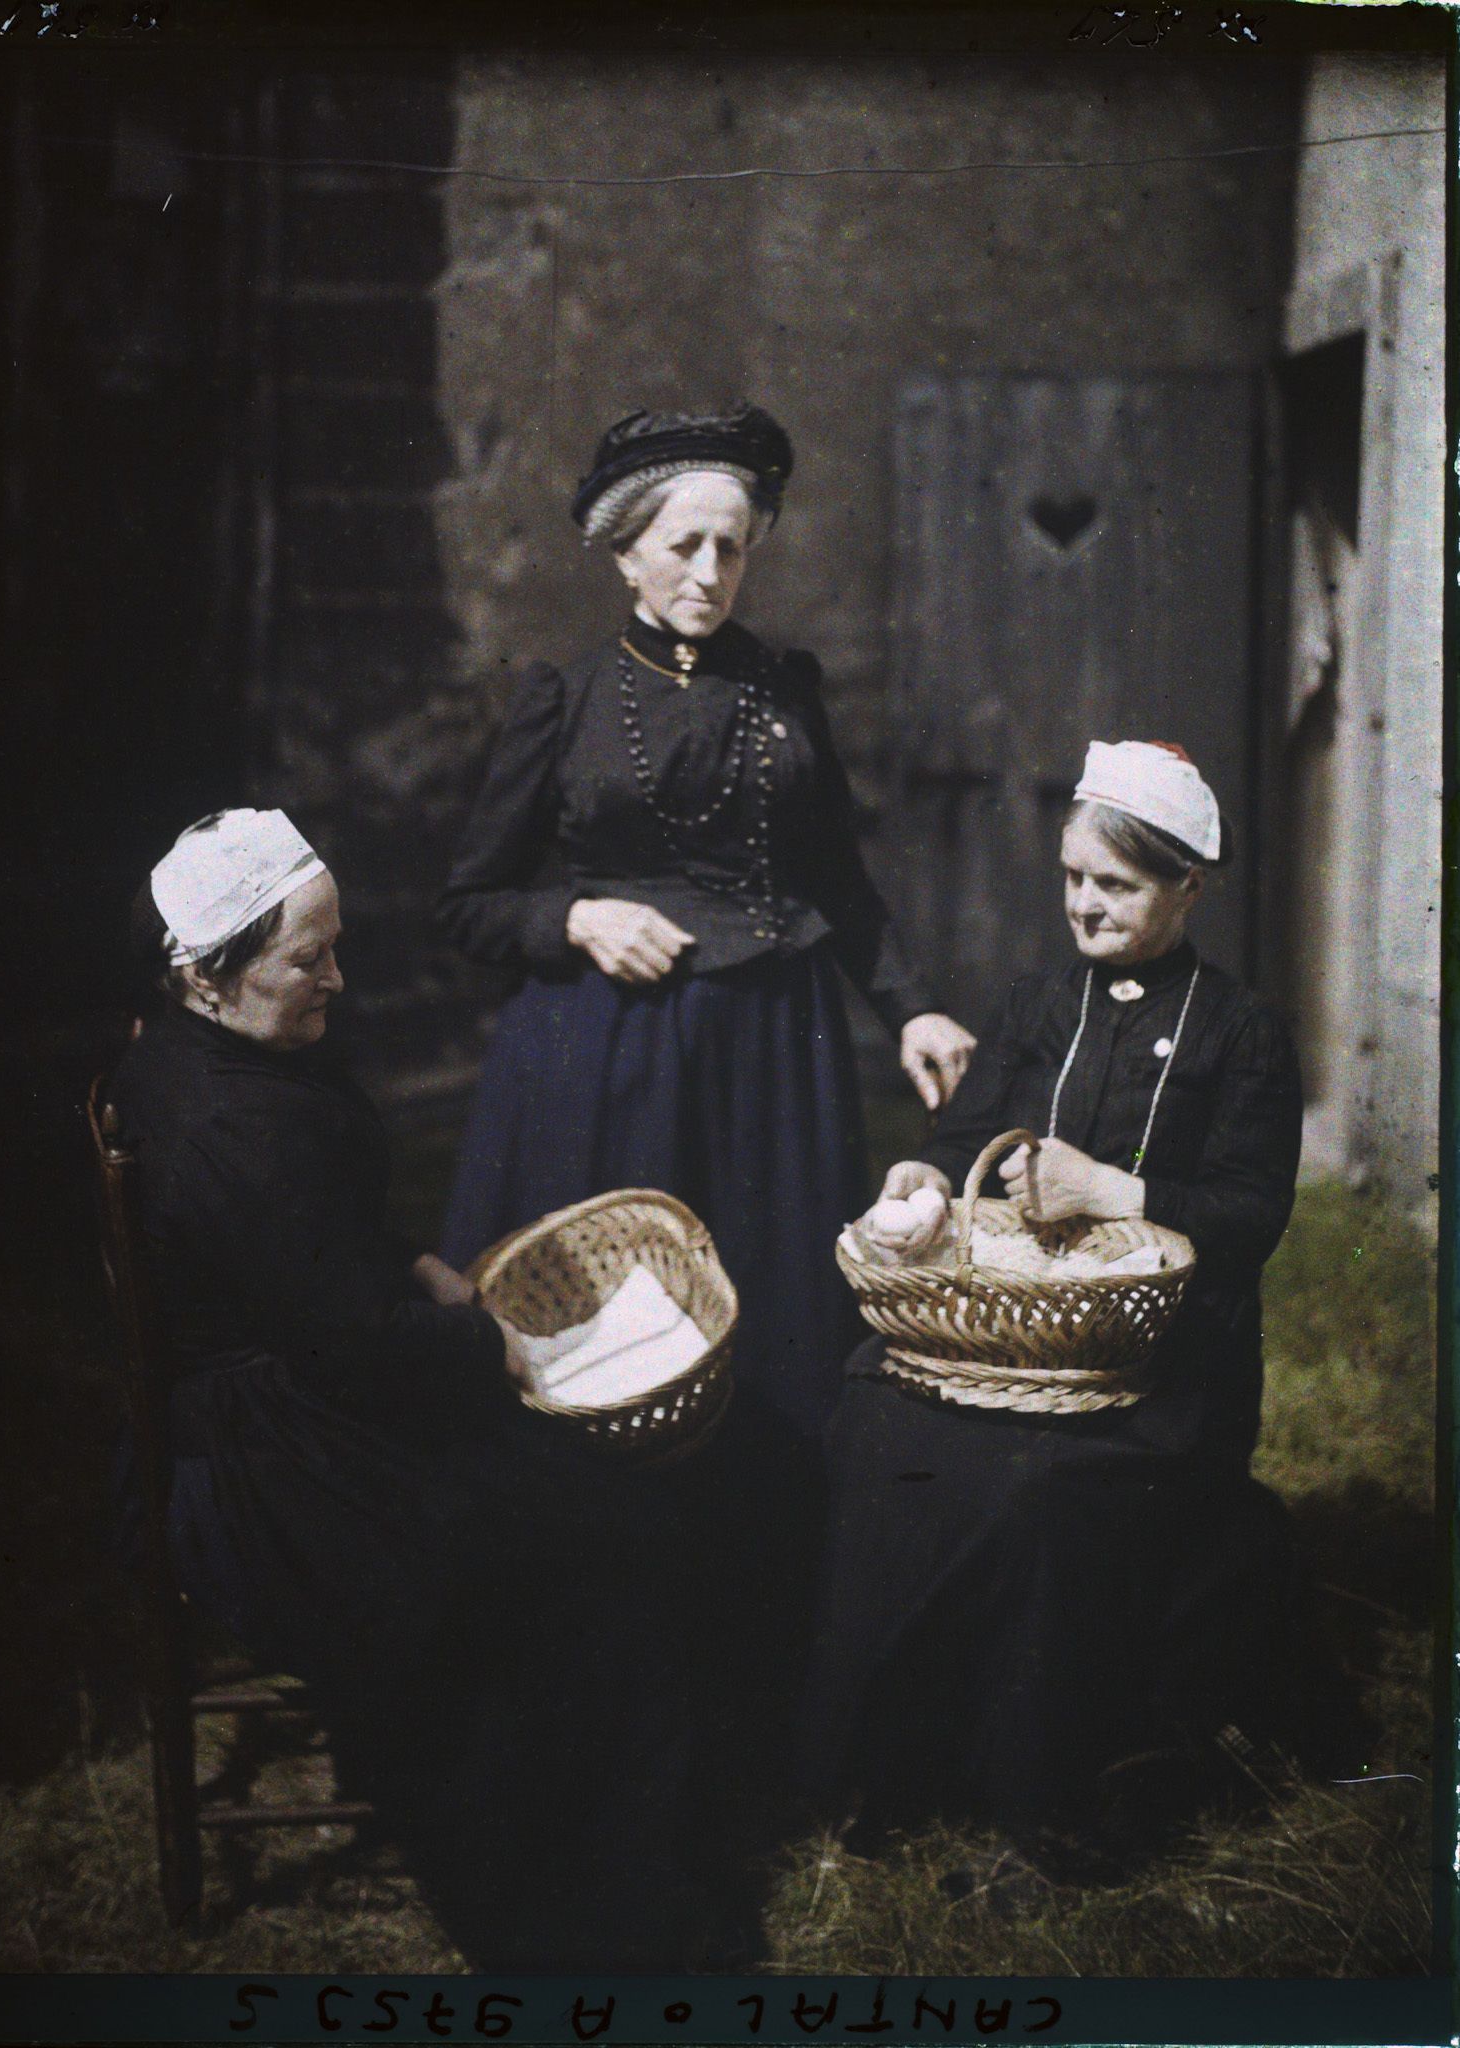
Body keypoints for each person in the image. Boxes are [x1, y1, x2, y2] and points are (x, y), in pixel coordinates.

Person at [109, 807, 733, 1970]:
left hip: (307, 1387)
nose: (338, 977)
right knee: (582, 1541)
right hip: (257, 1464)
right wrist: (481, 1343)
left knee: (590, 1513)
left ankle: (618, 1856)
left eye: (334, 945)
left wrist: (416, 1266)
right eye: (309, 958)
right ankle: (591, 1919)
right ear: (208, 971)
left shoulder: (222, 1055)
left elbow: (314, 1257)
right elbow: (342, 1340)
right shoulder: (221, 1124)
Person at [800, 741, 1363, 1879]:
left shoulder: (1238, 1031)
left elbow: (1253, 1213)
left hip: (1161, 1368)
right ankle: (890, 1760)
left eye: (1116, 884)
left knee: (1034, 1489)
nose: (1084, 905)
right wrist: (921, 1178)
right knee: (875, 1425)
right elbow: (965, 1144)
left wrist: (1119, 1191)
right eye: (1071, 878)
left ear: (1187, 886)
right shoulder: (1033, 1004)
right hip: (1015, 1339)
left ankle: (1035, 1782)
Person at [436, 403, 974, 1439]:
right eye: (682, 544)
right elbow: (469, 905)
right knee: (608, 1337)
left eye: (731, 546)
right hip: (609, 1055)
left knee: (771, 1327)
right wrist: (579, 916)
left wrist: (913, 1008)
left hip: (774, 1051)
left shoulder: (785, 691)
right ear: (623, 552)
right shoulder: (566, 699)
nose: (709, 570)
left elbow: (840, 882)